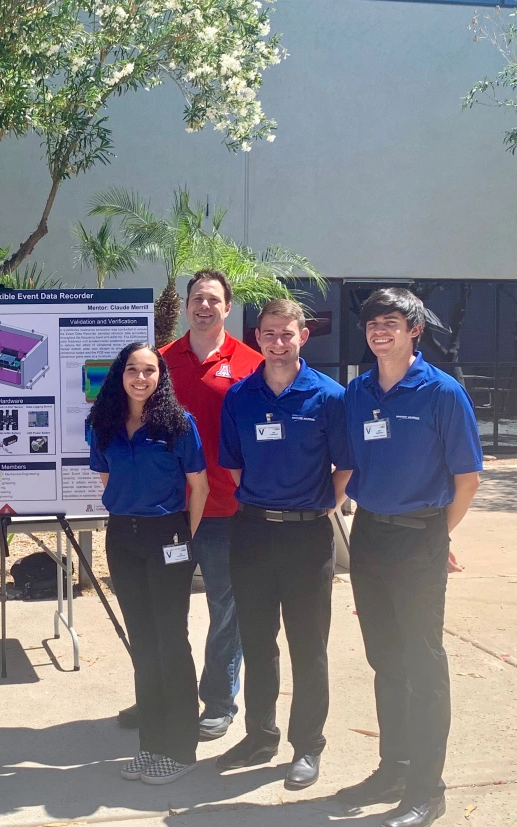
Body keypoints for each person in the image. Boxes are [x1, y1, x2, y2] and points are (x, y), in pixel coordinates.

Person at [336, 288, 482, 827]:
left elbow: (467, 481)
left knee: (424, 665)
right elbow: (347, 466)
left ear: (414, 329)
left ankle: (427, 788)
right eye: (373, 322)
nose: (380, 330)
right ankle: (392, 768)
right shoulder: (358, 392)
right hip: (369, 537)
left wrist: (435, 539)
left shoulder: (443, 393)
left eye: (391, 321)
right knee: (385, 662)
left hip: (421, 538)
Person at [216, 299, 351, 790]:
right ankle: (260, 735)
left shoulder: (329, 397)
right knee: (256, 641)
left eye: (286, 334)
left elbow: (346, 466)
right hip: (251, 532)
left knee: (308, 646)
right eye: (269, 334)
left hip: (306, 535)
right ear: (257, 338)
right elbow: (232, 465)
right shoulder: (240, 396)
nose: (277, 342)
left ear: (302, 337)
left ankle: (308, 746)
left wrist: (318, 503)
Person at [142, 269, 262, 741]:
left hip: (225, 513)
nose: (204, 306)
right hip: (166, 511)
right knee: (161, 610)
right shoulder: (160, 362)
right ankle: (164, 694)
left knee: (225, 609)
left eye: (214, 299)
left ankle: (217, 699)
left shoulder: (251, 363)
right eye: (197, 298)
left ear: (228, 307)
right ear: (186, 304)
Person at [88, 342, 210, 785]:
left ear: (161, 377)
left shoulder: (178, 425)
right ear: (120, 375)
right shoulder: (102, 426)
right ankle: (151, 745)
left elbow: (198, 487)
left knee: (170, 642)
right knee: (143, 643)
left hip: (168, 536)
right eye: (133, 370)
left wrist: (182, 536)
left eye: (150, 371)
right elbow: (108, 478)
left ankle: (180, 749)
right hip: (123, 537)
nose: (141, 378)